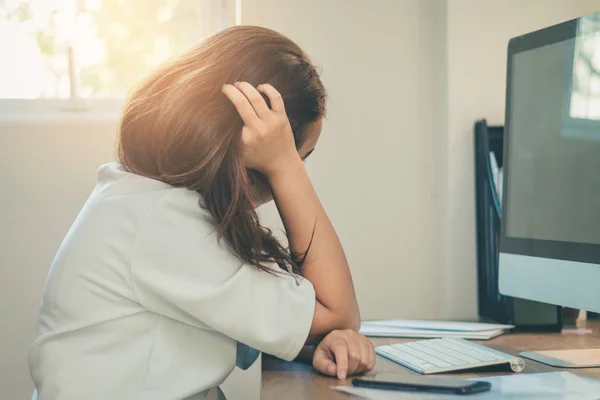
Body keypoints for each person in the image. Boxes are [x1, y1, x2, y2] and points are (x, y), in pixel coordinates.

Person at [29, 26, 375, 399]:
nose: (288, 182)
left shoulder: (147, 201)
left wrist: (320, 338)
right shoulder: (159, 220)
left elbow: (302, 319)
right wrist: (286, 167)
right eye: (292, 158)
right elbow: (339, 310)